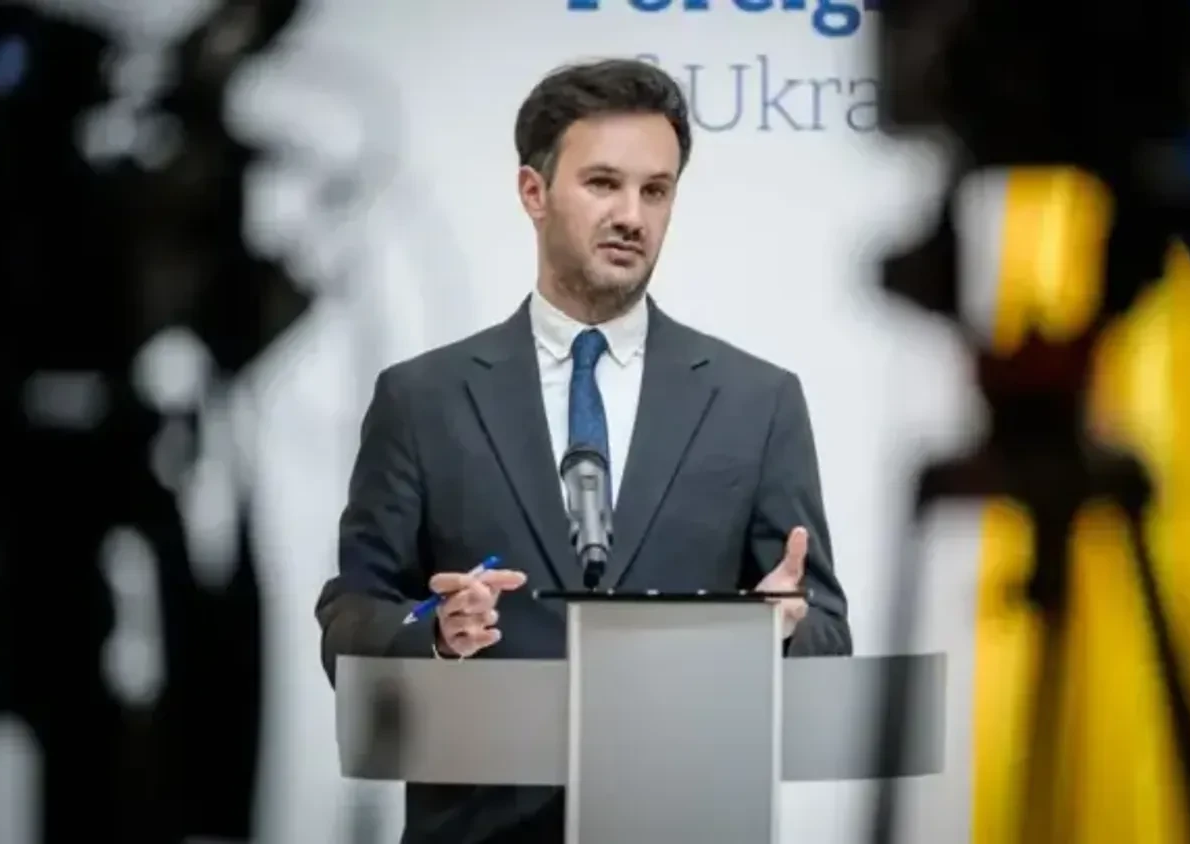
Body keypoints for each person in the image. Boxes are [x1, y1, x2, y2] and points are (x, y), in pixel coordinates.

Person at [316, 57, 853, 844]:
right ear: (533, 193)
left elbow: (827, 633)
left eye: (656, 190)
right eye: (604, 183)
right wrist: (432, 627)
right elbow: (351, 616)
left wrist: (777, 629)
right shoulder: (421, 399)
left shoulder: (757, 401)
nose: (633, 215)